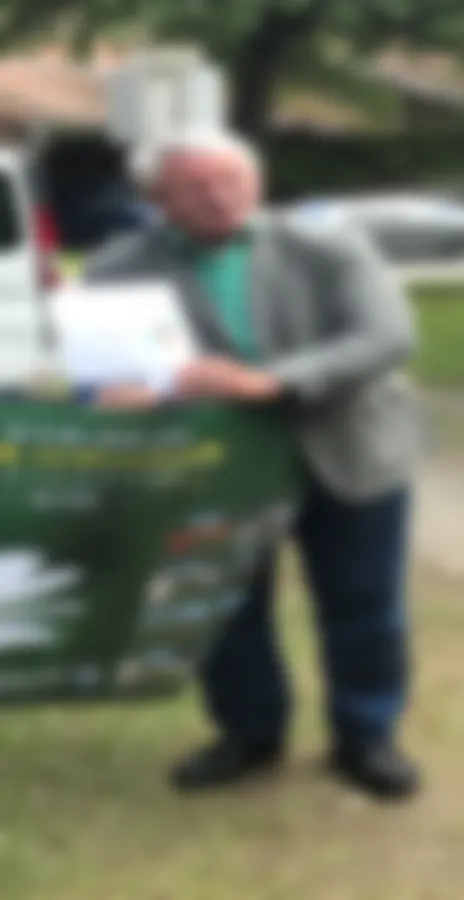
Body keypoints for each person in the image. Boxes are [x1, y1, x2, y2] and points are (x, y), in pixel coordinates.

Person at [84, 129, 424, 799]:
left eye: (231, 181)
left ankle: (366, 735)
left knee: (364, 602)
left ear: (255, 183)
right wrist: (116, 390)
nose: (217, 197)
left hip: (348, 446)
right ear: (155, 197)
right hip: (213, 464)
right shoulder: (120, 267)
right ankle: (249, 732)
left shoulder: (325, 245)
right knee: (225, 604)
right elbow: (103, 375)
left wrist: (271, 382)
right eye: (195, 186)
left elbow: (385, 336)